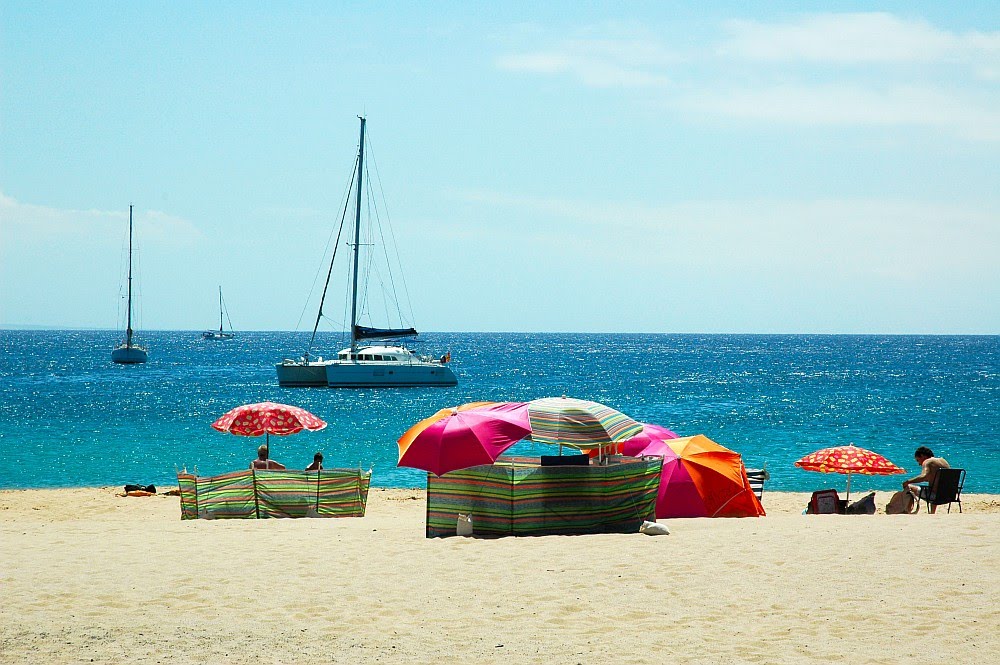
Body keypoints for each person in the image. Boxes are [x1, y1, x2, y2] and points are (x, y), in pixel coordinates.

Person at [903, 446, 950, 513]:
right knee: (933, 487)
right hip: (949, 496)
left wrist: (907, 482)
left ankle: (907, 510)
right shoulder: (943, 461)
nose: (919, 464)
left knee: (909, 487)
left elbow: (923, 476)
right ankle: (932, 512)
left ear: (922, 456)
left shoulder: (927, 462)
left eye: (918, 460)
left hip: (935, 497)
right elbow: (938, 479)